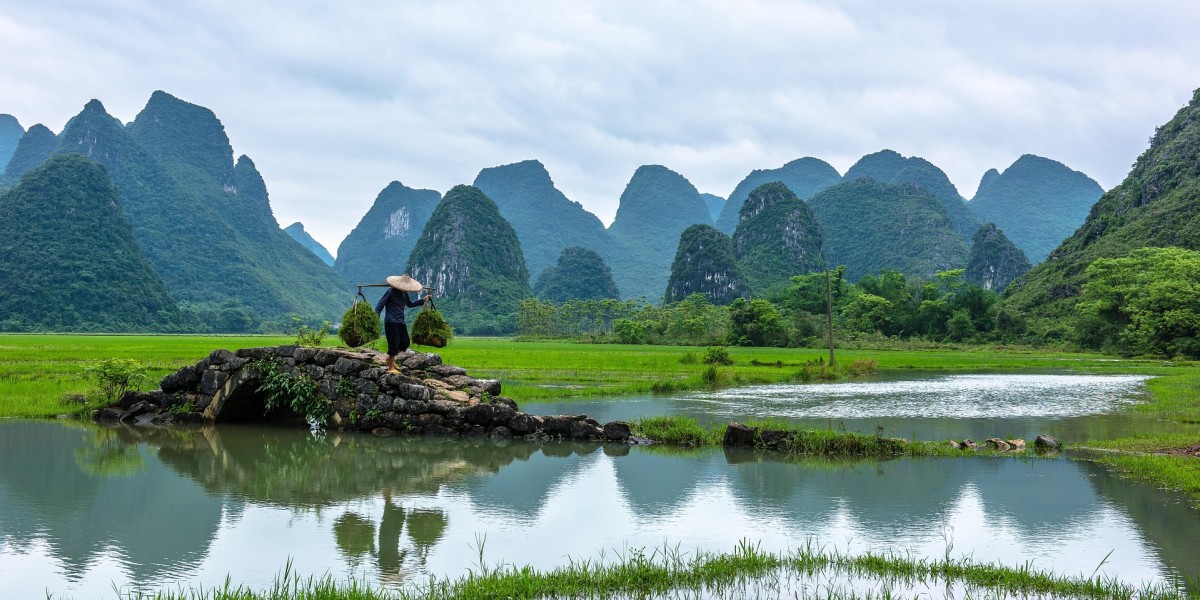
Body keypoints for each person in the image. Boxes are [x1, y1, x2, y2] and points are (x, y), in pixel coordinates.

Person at [375, 274, 431, 373]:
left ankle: (389, 359)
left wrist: (423, 300)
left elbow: (410, 304)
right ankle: (391, 367)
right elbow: (380, 305)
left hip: (401, 322)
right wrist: (375, 318)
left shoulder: (405, 294)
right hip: (391, 322)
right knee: (394, 344)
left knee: (405, 342)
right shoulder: (390, 291)